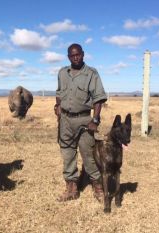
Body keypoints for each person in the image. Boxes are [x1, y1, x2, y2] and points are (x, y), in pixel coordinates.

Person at [55, 43, 107, 202]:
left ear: (83, 54)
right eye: (72, 55)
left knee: (88, 155)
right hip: (65, 120)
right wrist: (57, 106)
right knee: (67, 154)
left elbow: (98, 98)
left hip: (84, 120)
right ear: (68, 57)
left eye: (78, 54)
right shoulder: (62, 72)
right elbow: (59, 92)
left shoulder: (91, 73)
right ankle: (71, 189)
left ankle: (98, 188)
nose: (75, 57)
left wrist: (95, 120)